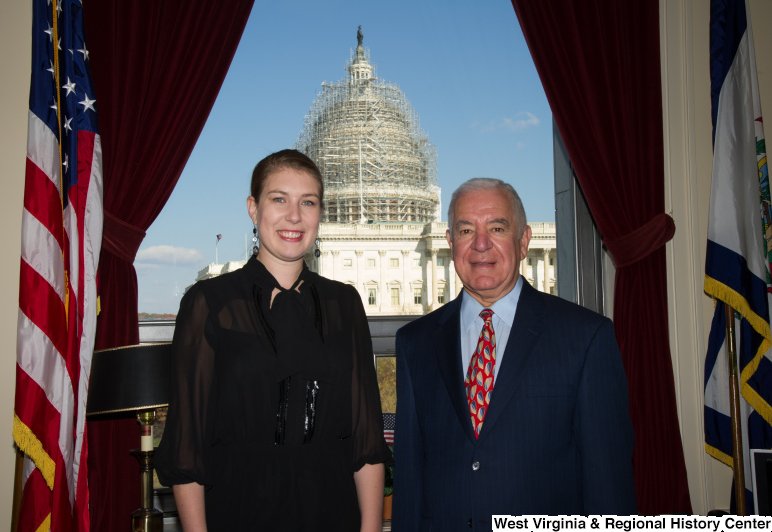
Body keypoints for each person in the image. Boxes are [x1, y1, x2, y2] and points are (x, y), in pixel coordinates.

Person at [155, 149, 390, 532]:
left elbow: (366, 441)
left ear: (320, 213)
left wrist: (370, 529)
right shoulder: (209, 303)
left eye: (307, 202)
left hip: (333, 510)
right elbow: (187, 446)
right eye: (279, 199)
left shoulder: (344, 303)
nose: (294, 216)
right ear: (253, 207)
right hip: (239, 509)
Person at [392, 178, 636, 529]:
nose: (480, 244)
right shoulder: (414, 342)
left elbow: (609, 485)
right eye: (465, 230)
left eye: (497, 227)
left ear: (523, 241)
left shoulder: (585, 337)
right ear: (449, 243)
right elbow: (410, 481)